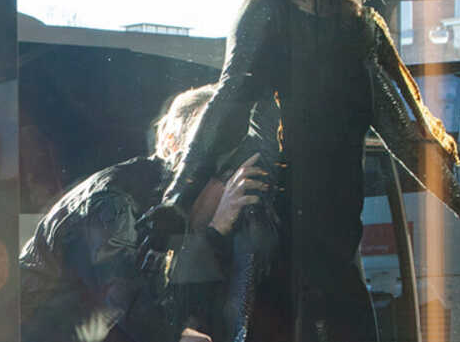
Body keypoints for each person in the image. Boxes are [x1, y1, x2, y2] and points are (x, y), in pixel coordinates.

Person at [141, 0, 460, 342]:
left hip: (334, 237)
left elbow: (405, 137)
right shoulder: (266, 11)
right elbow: (231, 99)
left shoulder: (361, 30)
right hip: (275, 229)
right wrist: (178, 197)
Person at [15, 85, 272, 342]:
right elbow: (126, 305)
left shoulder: (167, 216)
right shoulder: (117, 198)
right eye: (212, 142)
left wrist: (214, 230)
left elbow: (172, 303)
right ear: (170, 141)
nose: (223, 162)